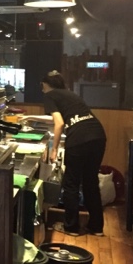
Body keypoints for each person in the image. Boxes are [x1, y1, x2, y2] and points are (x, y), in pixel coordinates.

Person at [21, 70, 107, 237]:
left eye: (42, 86)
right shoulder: (70, 95)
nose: (42, 89)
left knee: (71, 183)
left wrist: (54, 149)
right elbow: (60, 119)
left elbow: (59, 123)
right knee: (90, 182)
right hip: (98, 136)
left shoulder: (50, 95)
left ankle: (71, 227)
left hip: (79, 139)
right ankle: (96, 227)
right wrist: (31, 117)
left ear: (46, 84)